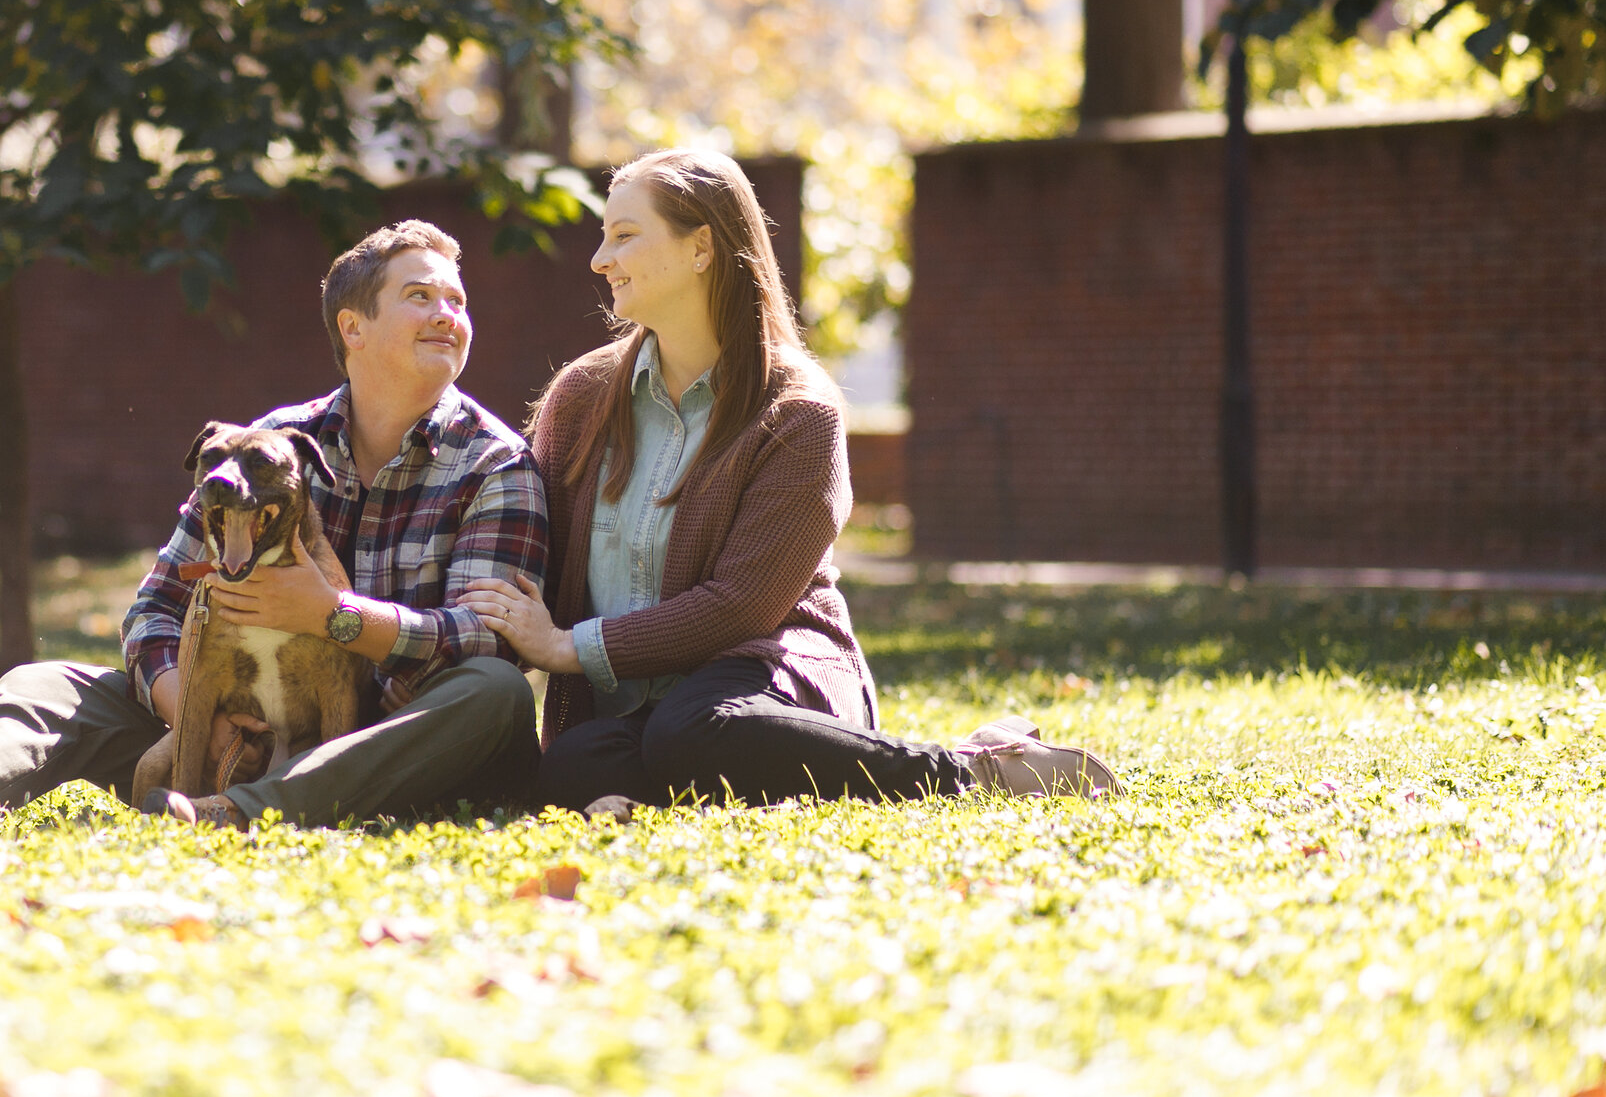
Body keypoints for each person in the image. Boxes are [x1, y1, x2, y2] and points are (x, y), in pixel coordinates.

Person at [0, 220, 549, 844]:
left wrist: (331, 614)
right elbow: (152, 612)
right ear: (352, 328)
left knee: (495, 697)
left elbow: (485, 645)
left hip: (382, 741)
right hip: (234, 730)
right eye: (421, 295)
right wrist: (195, 713)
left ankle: (236, 816)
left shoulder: (495, 466)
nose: (448, 314)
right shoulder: (266, 450)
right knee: (48, 684)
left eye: (457, 300)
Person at [462, 148, 1119, 811]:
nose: (601, 259)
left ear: (701, 247)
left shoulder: (799, 413)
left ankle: (971, 770)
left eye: (625, 235)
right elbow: (534, 564)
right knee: (574, 763)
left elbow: (739, 606)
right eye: (605, 237)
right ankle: (729, 781)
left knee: (694, 729)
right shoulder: (581, 397)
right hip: (638, 712)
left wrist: (567, 647)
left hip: (770, 674)